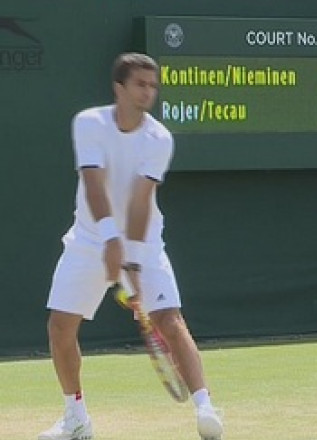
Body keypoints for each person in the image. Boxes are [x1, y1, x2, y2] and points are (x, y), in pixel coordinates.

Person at [40, 53, 223, 440]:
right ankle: (76, 418)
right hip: (88, 239)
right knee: (60, 327)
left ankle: (206, 408)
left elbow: (141, 200)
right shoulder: (89, 123)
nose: (148, 92)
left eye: (153, 86)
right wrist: (109, 239)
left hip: (145, 242)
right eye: (140, 84)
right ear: (118, 88)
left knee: (170, 321)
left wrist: (134, 263)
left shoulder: (159, 138)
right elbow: (93, 183)